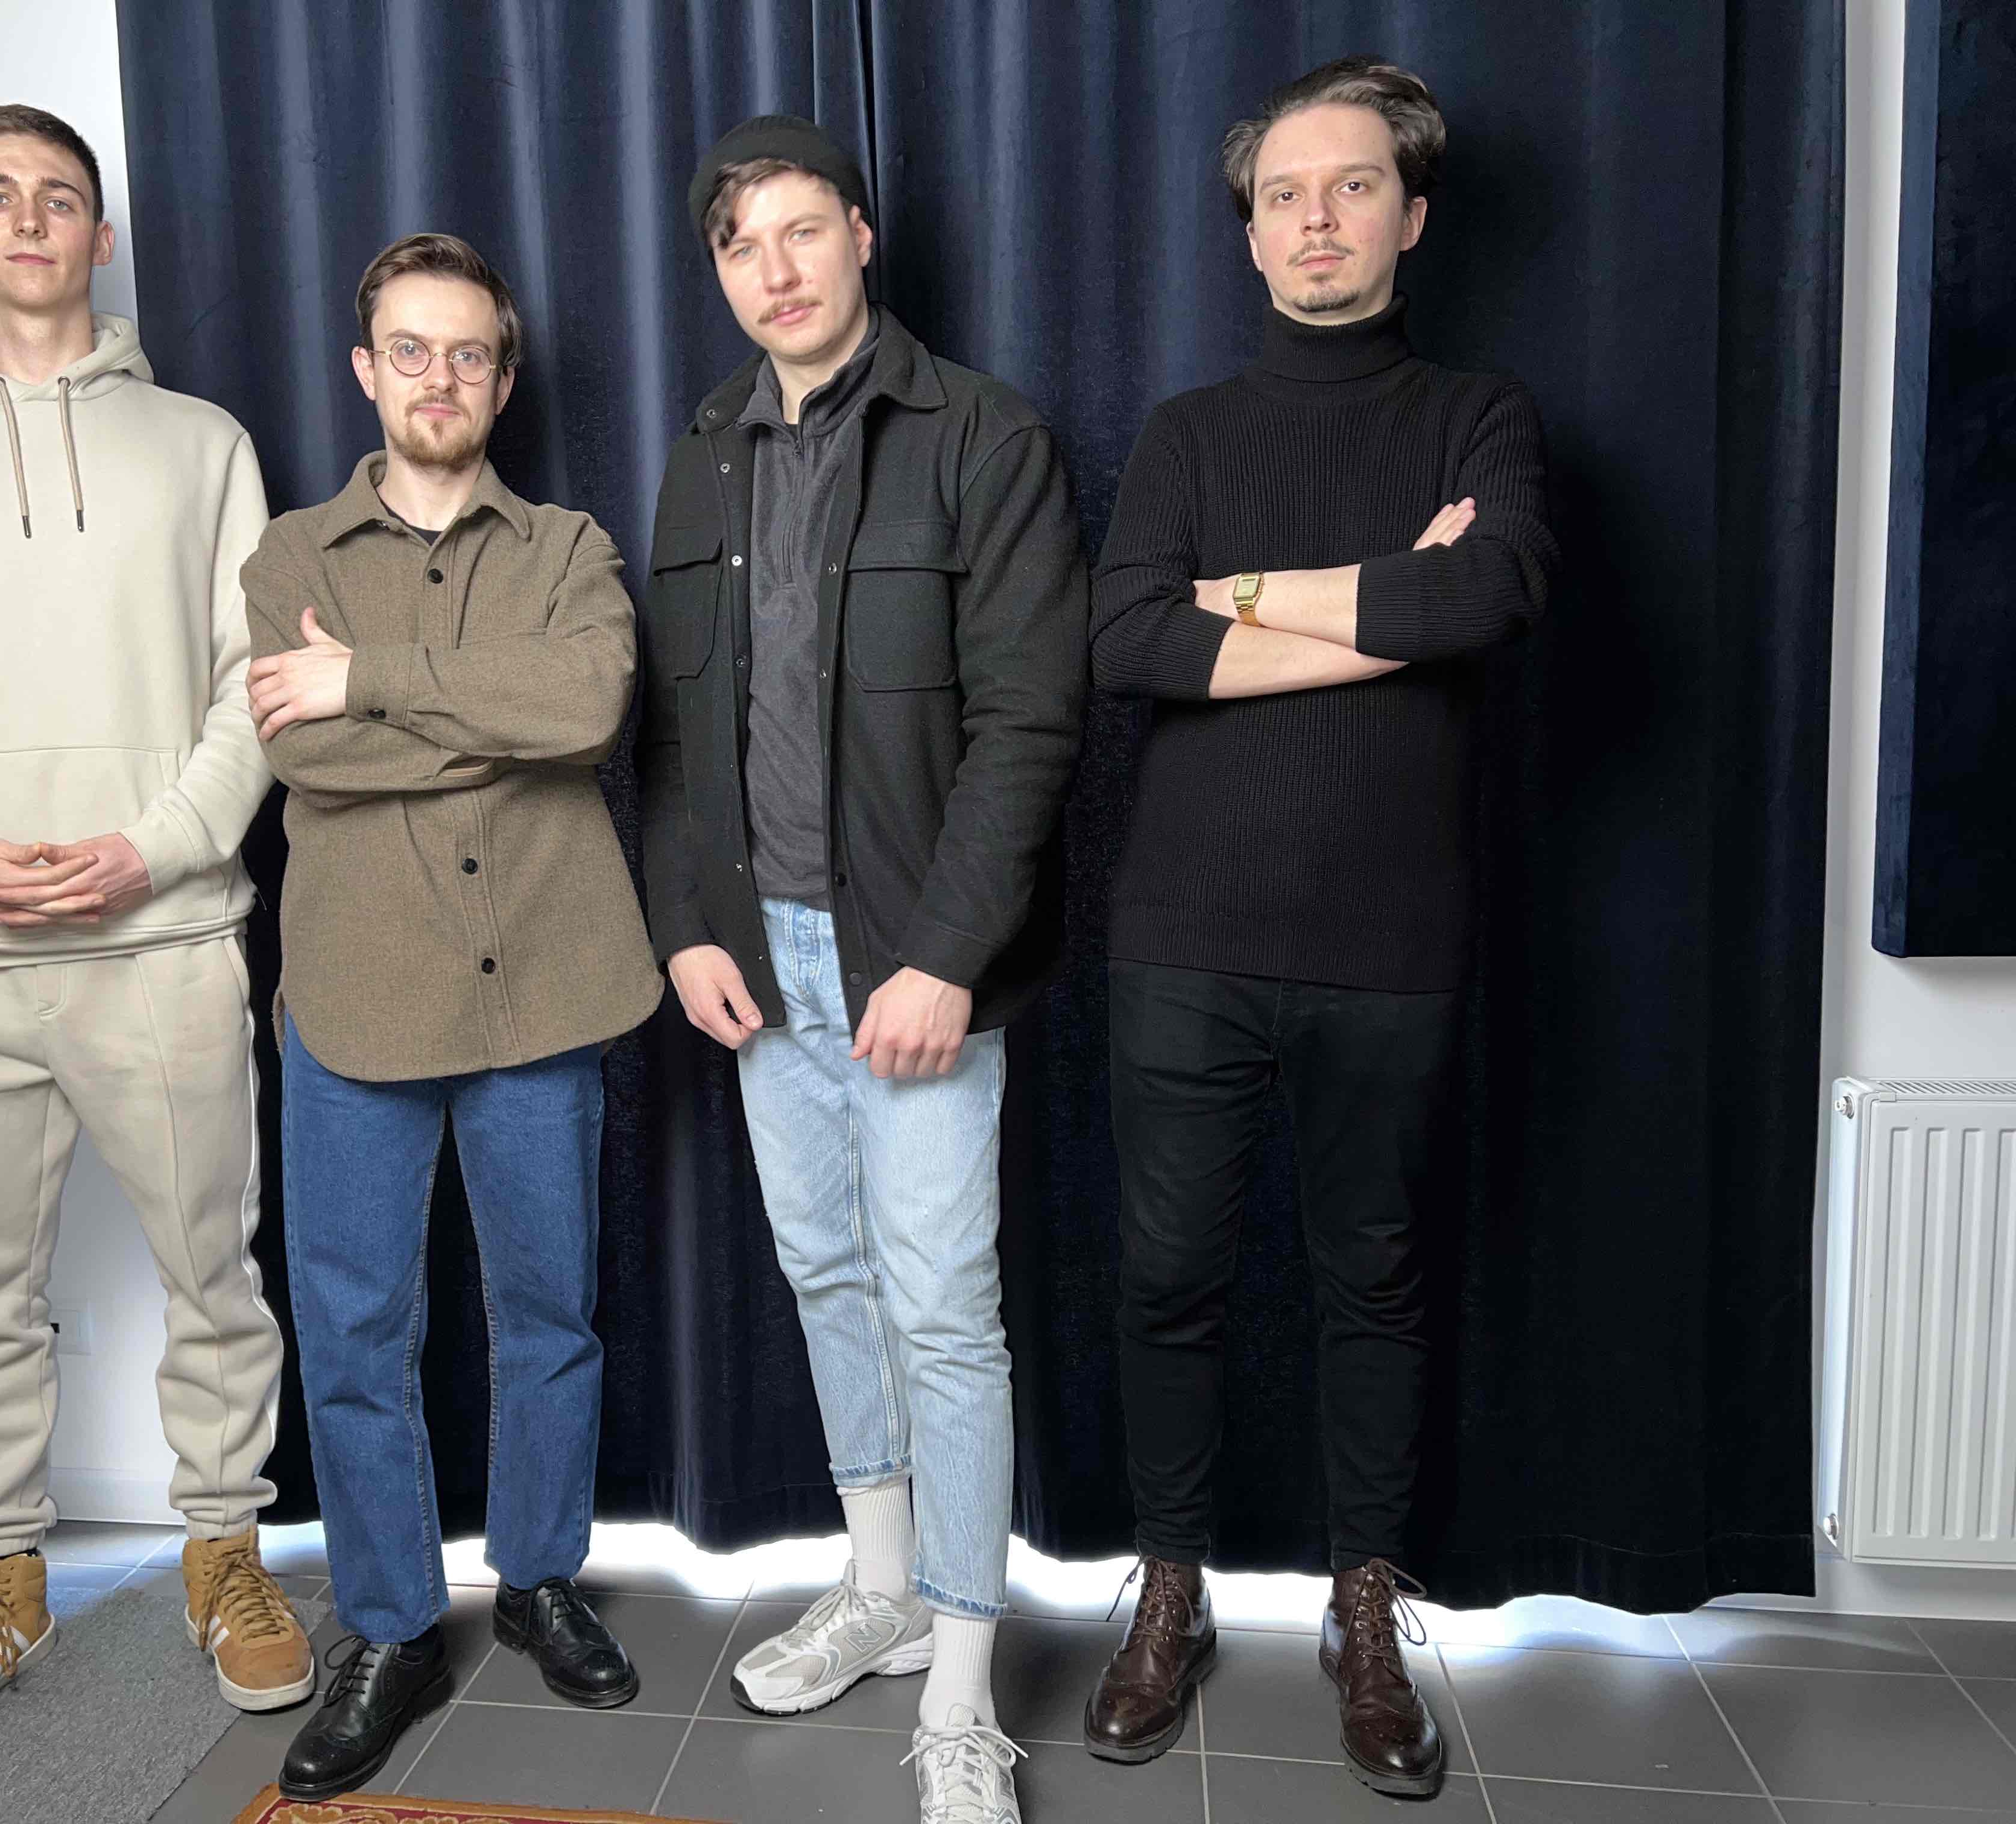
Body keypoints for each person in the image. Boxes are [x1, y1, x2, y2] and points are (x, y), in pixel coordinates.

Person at [0, 103, 307, 1759]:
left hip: (163, 943)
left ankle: (224, 1555)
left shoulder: (202, 444)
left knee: (213, 1277)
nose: (30, 222)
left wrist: (151, 850)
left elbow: (254, 682)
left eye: (60, 198)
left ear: (100, 232)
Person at [1080, 57, 1558, 1800]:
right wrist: (1388, 609)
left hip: (1391, 943)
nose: (1316, 220)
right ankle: (1172, 1590)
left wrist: (1249, 598)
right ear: (1251, 232)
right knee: (1168, 1279)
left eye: (1352, 187)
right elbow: (1128, 640)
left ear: (1412, 217)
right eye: (1285, 195)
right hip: (1184, 936)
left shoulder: (1479, 415)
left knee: (1375, 1281)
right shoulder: (1190, 433)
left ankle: (1366, 1611)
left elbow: (1493, 585)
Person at [640, 115, 1088, 1824]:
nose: (776, 269)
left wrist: (949, 958)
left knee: (944, 1314)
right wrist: (689, 924)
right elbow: (673, 736)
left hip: (915, 966)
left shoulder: (983, 433)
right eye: (740, 244)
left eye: (802, 231)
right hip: (761, 966)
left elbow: (1032, 726)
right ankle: (883, 1588)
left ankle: (962, 1693)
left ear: (861, 237)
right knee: (828, 1280)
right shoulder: (705, 454)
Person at [240, 233, 662, 1802]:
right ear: (367, 372)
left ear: (503, 375)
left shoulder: (567, 547)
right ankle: (391, 1625)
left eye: (468, 353)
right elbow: (307, 757)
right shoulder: (290, 557)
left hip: (547, 987)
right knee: (357, 1331)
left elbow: (587, 709)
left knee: (549, 1311)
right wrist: (479, 705)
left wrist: (372, 680)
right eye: (410, 351)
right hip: (357, 1003)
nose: (440, 377)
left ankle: (541, 1579)